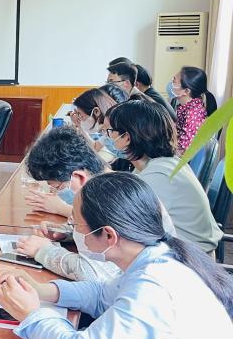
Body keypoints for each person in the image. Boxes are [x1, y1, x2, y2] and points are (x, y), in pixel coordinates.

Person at [0, 172, 233, 339]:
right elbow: (101, 294)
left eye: (76, 225)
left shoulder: (154, 289)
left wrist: (32, 314)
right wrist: (44, 290)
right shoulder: (159, 257)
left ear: (109, 235)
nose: (73, 230)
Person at [106, 100, 221, 253]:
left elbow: (124, 224)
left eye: (109, 132)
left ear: (126, 137)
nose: (106, 137)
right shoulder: (162, 163)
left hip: (188, 259)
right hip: (183, 251)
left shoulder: (158, 176)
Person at [15, 126, 118, 281]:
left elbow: (94, 272)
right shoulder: (111, 185)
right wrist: (67, 233)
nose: (56, 193)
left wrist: (43, 251)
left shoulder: (111, 203)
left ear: (78, 177)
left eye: (57, 187)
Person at [69, 87, 122, 162]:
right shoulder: (107, 130)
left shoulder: (119, 129)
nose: (79, 119)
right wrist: (79, 126)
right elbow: (95, 147)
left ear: (96, 112)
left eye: (80, 115)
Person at [173, 66, 217, 155]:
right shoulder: (186, 107)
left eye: (174, 81)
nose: (171, 84)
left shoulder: (193, 114)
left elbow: (183, 151)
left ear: (186, 91)